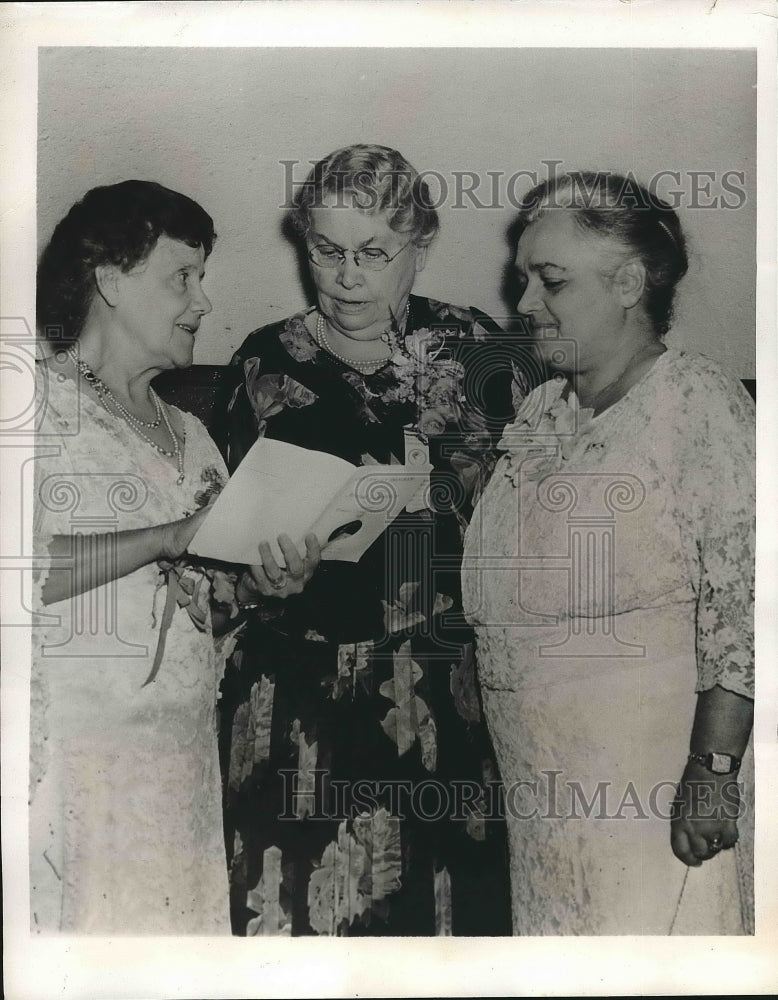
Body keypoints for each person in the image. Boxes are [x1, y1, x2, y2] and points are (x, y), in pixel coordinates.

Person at [214, 144, 531, 936]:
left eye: (372, 253)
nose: (346, 275)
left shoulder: (480, 349)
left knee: (448, 933)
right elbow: (215, 547)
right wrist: (259, 575)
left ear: (420, 247)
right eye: (326, 250)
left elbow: (532, 519)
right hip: (298, 688)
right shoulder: (263, 360)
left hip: (444, 689)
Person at [462, 170, 755, 935]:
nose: (524, 304)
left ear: (629, 282)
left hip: (650, 784)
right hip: (543, 798)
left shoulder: (696, 402)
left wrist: (715, 771)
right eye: (524, 278)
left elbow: (748, 600)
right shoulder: (540, 409)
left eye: (550, 281)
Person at [31, 181, 320, 934]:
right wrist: (164, 536)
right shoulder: (34, 410)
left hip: (184, 763)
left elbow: (209, 607)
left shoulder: (191, 434)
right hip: (80, 769)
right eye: (182, 278)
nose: (203, 303)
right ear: (110, 280)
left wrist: (261, 590)